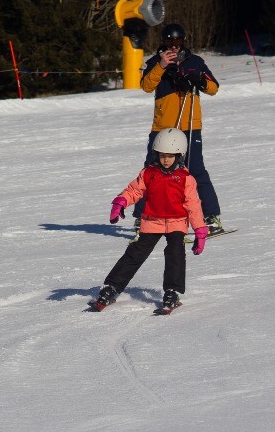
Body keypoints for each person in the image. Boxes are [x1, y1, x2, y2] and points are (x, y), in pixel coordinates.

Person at [91, 128, 209, 312]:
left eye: (170, 156)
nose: (165, 160)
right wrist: (121, 202)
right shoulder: (149, 173)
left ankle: (172, 291)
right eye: (162, 155)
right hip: (151, 221)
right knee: (135, 254)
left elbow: (193, 206)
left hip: (177, 222)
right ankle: (112, 287)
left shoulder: (186, 179)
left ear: (179, 156)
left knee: (175, 254)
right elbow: (134, 190)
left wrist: (200, 230)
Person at [132, 23, 224, 237]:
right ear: (163, 42)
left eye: (178, 41)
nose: (174, 46)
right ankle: (142, 218)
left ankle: (211, 217)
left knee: (196, 171)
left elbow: (213, 88)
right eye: (169, 41)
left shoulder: (195, 61)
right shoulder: (155, 62)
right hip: (163, 128)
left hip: (190, 126)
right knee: (152, 172)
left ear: (183, 41)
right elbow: (146, 86)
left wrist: (199, 79)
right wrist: (162, 65)